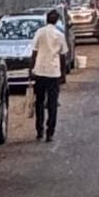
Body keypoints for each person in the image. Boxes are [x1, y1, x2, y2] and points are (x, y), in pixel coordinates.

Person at [29, 12, 65, 141]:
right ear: (56, 21)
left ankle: (39, 129)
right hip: (53, 72)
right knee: (52, 103)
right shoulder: (60, 35)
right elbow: (62, 55)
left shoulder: (40, 32)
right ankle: (50, 131)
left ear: (46, 20)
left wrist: (31, 69)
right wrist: (63, 74)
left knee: (39, 101)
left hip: (40, 71)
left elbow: (34, 52)